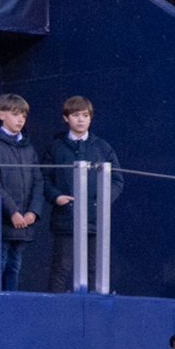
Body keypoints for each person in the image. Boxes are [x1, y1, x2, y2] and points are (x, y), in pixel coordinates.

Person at [43, 96, 123, 292]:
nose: (80, 119)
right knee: (61, 268)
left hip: (96, 221)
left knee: (94, 269)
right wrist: (56, 197)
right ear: (65, 118)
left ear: (91, 118)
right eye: (76, 115)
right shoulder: (55, 147)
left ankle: (95, 314)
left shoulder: (103, 147)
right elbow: (43, 179)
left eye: (85, 115)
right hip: (66, 219)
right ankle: (56, 311)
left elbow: (117, 181)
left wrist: (103, 201)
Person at [0, 94, 44, 291]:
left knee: (15, 265)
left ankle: (10, 304)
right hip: (1, 221)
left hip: (23, 222)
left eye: (23, 115)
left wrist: (33, 212)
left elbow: (38, 181)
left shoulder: (28, 147)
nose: (20, 119)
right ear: (1, 114)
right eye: (15, 114)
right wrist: (12, 211)